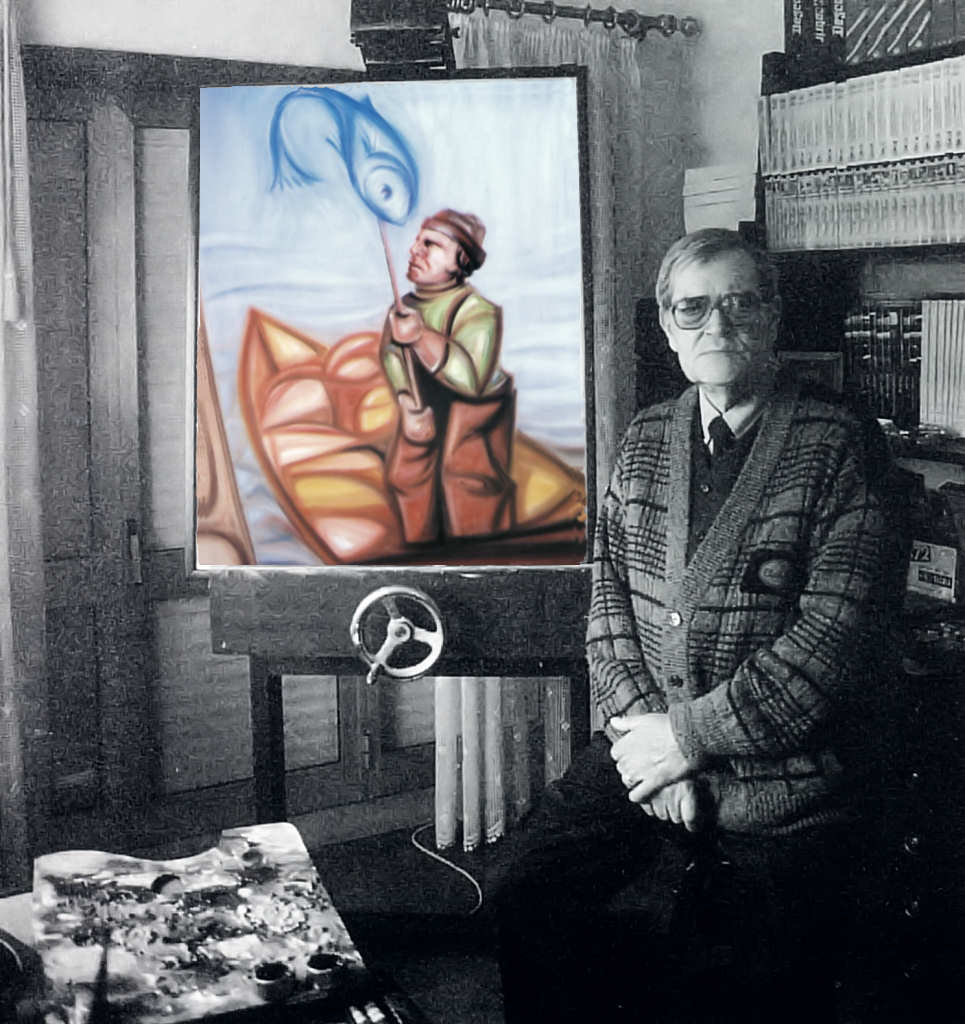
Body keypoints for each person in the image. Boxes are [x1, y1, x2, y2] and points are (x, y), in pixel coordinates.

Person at [494, 228, 909, 1023]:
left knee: (720, 975)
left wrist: (686, 740)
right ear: (666, 325)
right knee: (527, 890)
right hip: (646, 748)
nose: (716, 324)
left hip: (785, 781)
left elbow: (831, 644)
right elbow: (607, 607)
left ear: (772, 317)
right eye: (692, 307)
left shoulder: (841, 445)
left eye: (740, 303)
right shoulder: (646, 436)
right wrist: (653, 747)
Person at [380, 209, 516, 545]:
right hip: (426, 405)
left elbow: (472, 380)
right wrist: (405, 401)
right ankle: (420, 550)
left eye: (430, 244)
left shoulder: (478, 312)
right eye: (417, 241)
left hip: (473, 416)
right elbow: (392, 356)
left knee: (467, 476)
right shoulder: (403, 307)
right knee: (408, 474)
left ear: (460, 260)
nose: (414, 250)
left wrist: (420, 337)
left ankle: (476, 552)